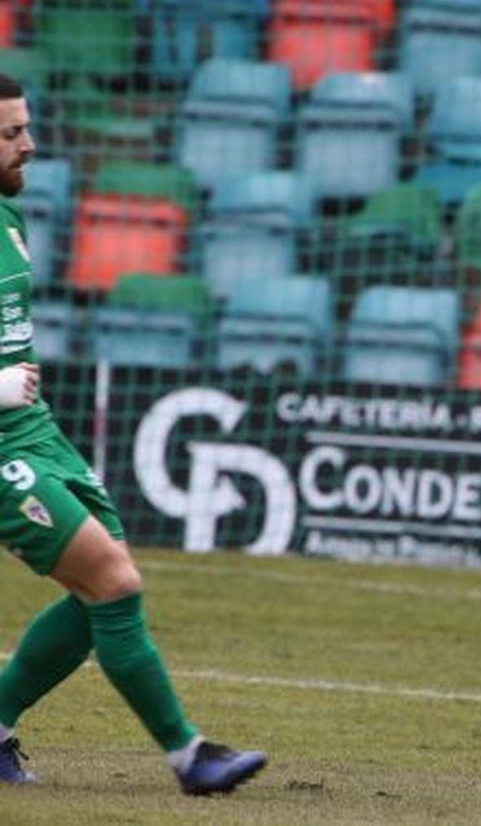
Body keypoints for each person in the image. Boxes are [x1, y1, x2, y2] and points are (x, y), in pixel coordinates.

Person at [0, 75, 267, 795]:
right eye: (11, 133)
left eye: (25, 127)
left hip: (33, 432)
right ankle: (191, 758)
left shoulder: (9, 219)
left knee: (100, 590)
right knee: (114, 583)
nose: (30, 143)